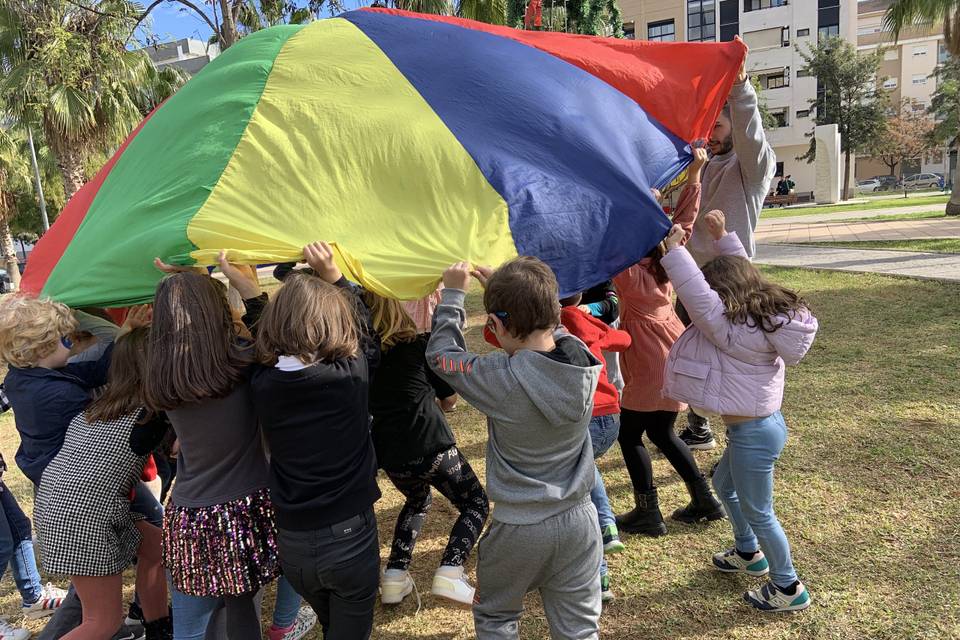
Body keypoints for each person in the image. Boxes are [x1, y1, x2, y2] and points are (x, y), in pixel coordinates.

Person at [427, 257, 603, 640]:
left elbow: (439, 354)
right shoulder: (583, 360)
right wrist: (522, 297)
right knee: (580, 629)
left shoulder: (499, 378)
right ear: (553, 312)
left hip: (520, 529)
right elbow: (554, 328)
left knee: (496, 619)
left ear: (495, 324)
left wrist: (454, 294)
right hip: (580, 522)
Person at [660, 210, 817, 613]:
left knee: (760, 512)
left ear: (724, 296)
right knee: (725, 483)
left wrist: (675, 252)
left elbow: (699, 297)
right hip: (761, 428)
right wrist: (724, 238)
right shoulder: (754, 321)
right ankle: (748, 553)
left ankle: (787, 586)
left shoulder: (730, 329)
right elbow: (745, 277)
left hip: (754, 435)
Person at [250, 242, 381, 640]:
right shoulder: (350, 377)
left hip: (294, 547)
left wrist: (248, 295)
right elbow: (368, 339)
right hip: (349, 541)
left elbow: (260, 348)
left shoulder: (261, 383)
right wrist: (337, 279)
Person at [144, 257, 279, 640]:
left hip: (189, 515)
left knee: (191, 627)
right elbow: (273, 338)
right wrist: (250, 291)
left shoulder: (160, 374)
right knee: (241, 619)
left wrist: (187, 284)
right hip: (243, 511)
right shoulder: (242, 362)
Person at [0, 297, 149, 639]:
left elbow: (93, 371)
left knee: (97, 587)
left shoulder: (29, 377)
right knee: (94, 604)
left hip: (65, 487)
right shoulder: (58, 396)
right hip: (79, 493)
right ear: (40, 349)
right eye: (68, 340)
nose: (76, 345)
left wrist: (125, 335)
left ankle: (139, 622)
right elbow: (104, 417)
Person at [613, 148, 724, 537]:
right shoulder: (669, 260)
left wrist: (643, 205)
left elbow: (614, 237)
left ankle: (649, 512)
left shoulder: (629, 275)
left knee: (630, 435)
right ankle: (705, 500)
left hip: (647, 360)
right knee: (662, 432)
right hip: (671, 351)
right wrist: (695, 174)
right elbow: (685, 223)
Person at [35, 327, 171, 639]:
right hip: (83, 516)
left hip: (66, 506)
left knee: (157, 547)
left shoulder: (100, 406)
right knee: (102, 621)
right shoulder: (148, 415)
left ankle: (158, 627)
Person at [365, 291, 489, 607]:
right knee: (475, 502)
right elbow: (449, 399)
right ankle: (451, 569)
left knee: (418, 499)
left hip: (391, 453)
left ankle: (394, 576)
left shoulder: (364, 359)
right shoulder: (419, 345)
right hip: (429, 443)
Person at [679, 53, 777, 451]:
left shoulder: (751, 168)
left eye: (717, 125)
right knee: (695, 349)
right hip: (694, 274)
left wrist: (740, 87)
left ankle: (744, 435)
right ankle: (699, 425)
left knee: (730, 356)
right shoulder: (706, 163)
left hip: (731, 279)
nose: (711, 134)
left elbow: (751, 134)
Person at [557, 293, 630, 603]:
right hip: (610, 416)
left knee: (579, 496)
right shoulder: (582, 319)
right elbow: (623, 340)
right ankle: (605, 543)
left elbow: (493, 334)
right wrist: (597, 312)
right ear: (580, 294)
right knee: (585, 474)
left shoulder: (543, 325)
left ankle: (604, 526)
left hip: (584, 419)